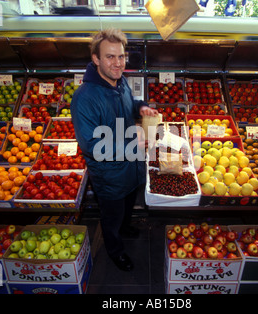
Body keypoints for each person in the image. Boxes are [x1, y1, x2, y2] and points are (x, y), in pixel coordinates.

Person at [70, 29, 158, 271]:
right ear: (96, 59)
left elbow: (129, 104)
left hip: (131, 165)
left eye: (121, 57)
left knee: (129, 202)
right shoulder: (84, 98)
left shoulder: (121, 82)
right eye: (110, 57)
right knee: (111, 216)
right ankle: (115, 250)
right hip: (109, 174)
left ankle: (125, 225)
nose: (118, 63)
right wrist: (131, 145)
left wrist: (141, 108)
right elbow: (90, 145)